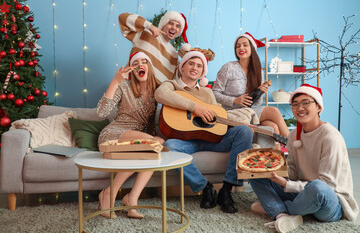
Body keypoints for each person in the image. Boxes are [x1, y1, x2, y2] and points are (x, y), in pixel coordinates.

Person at [248, 84, 359, 232]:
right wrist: (275, 165)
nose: (300, 108)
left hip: (330, 202)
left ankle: (276, 208)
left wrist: (287, 186)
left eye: (306, 103)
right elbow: (293, 174)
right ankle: (282, 215)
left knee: (317, 187)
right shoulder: (294, 136)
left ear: (319, 107)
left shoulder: (330, 137)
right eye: (295, 104)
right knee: (254, 172)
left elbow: (327, 185)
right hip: (301, 193)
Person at [154, 51, 254, 213]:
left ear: (202, 71)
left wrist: (234, 123)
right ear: (182, 67)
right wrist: (196, 108)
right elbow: (160, 94)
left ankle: (226, 190)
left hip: (211, 139)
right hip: (186, 140)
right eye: (191, 64)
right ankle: (205, 187)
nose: (195, 68)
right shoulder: (171, 85)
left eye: (199, 66)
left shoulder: (207, 92)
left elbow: (216, 121)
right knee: (171, 146)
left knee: (244, 132)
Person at [96, 52, 164, 219]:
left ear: (149, 67)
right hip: (113, 135)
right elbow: (101, 112)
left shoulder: (159, 89)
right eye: (136, 63)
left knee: (153, 149)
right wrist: (115, 81)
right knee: (150, 142)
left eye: (144, 62)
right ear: (132, 69)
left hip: (138, 140)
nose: (141, 65)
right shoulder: (124, 86)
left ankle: (131, 198)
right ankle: (108, 194)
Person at [212, 32, 290, 143]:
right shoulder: (228, 67)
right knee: (274, 111)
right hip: (232, 113)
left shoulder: (258, 71)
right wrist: (235, 100)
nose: (241, 48)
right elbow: (214, 93)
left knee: (273, 127)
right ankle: (292, 145)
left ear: (252, 48)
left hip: (250, 111)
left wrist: (260, 93)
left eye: (245, 45)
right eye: (238, 46)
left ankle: (276, 158)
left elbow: (256, 105)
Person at [119, 11, 189, 84]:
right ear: (163, 24)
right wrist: (150, 26)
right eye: (170, 23)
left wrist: (186, 60)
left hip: (151, 94)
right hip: (129, 86)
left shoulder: (174, 55)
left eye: (178, 26)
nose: (174, 27)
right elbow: (123, 18)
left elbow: (176, 81)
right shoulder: (146, 33)